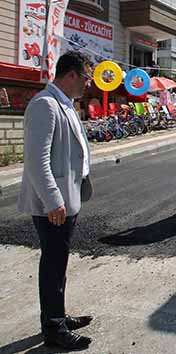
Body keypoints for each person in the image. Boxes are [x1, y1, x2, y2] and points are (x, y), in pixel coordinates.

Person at [17, 51, 95, 350]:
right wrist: (52, 201)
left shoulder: (64, 104)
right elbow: (37, 160)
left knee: (58, 263)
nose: (88, 84)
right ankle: (53, 328)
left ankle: (58, 315)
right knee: (53, 265)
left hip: (67, 199)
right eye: (86, 78)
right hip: (54, 205)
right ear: (71, 75)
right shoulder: (45, 106)